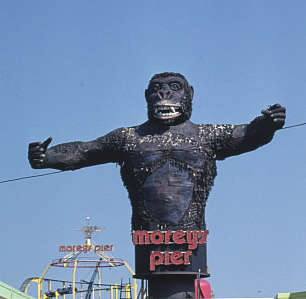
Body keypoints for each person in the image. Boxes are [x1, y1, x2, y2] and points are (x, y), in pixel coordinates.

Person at [28, 73, 285, 232]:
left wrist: (269, 123)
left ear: (189, 94)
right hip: (145, 235)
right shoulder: (128, 137)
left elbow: (250, 133)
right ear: (147, 96)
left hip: (192, 235)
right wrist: (46, 157)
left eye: (174, 87)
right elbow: (85, 151)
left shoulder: (207, 135)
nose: (164, 93)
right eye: (157, 89)